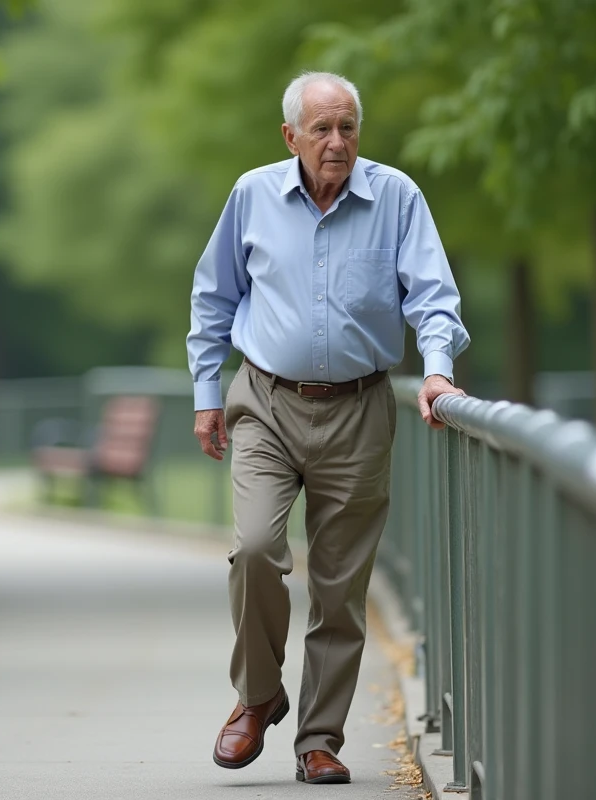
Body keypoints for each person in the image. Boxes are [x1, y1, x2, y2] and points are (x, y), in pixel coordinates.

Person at [186, 71, 469, 785]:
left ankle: (319, 739)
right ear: (291, 137)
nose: (337, 141)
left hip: (361, 409)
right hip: (267, 403)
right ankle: (257, 696)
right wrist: (205, 393)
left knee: (340, 586)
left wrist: (437, 369)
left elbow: (435, 296)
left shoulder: (397, 197)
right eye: (322, 129)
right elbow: (213, 295)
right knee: (255, 549)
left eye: (348, 127)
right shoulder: (252, 194)